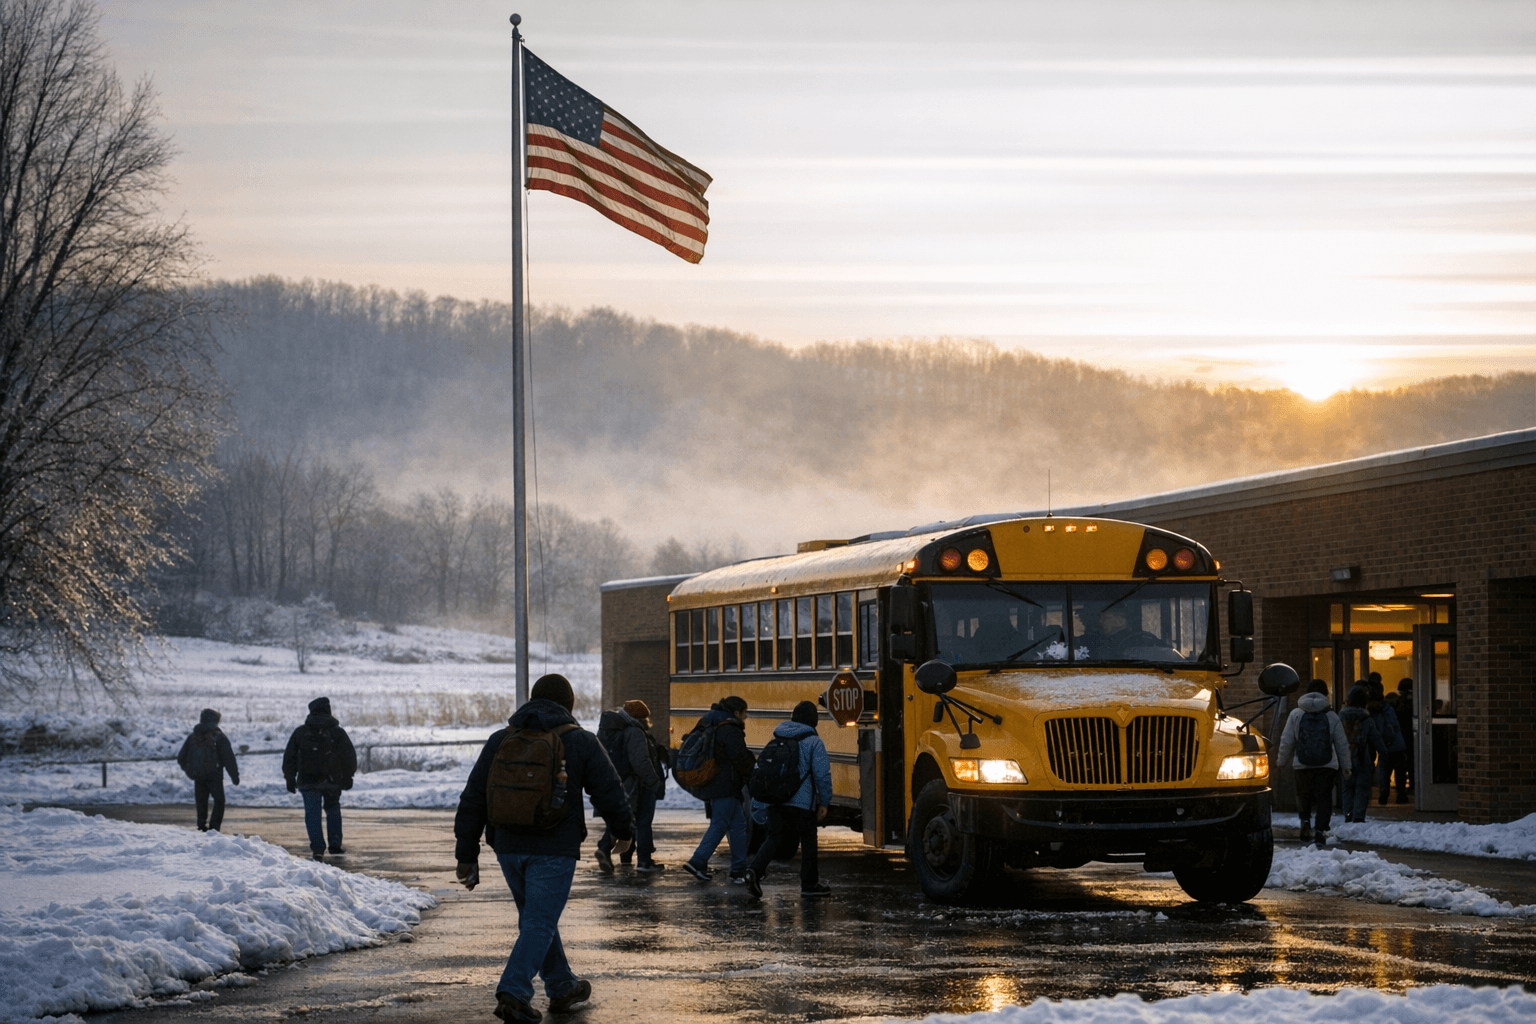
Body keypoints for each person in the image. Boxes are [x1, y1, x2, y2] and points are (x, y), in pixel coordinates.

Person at [453, 673, 634, 1024]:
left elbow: (474, 796)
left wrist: (466, 853)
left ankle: (562, 986)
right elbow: (610, 791)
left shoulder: (499, 739)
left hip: (507, 846)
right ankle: (514, 992)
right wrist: (623, 832)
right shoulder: (580, 741)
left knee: (537, 918)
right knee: (539, 920)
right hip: (554, 847)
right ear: (568, 705)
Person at [744, 700, 834, 898]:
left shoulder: (777, 738)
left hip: (776, 800)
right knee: (809, 839)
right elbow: (822, 774)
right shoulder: (814, 741)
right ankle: (809, 885)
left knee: (775, 837)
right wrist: (825, 801)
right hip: (801, 802)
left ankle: (754, 870)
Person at [680, 695, 756, 883]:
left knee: (738, 825)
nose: (745, 717)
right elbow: (739, 758)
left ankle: (738, 870)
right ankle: (697, 861)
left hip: (716, 782)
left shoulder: (713, 723)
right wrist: (752, 770)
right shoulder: (729, 729)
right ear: (737, 712)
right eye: (744, 713)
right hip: (726, 784)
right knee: (720, 824)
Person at [1273, 680, 1351, 845]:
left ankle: (1305, 822)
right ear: (1326, 695)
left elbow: (1287, 740)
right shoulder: (1331, 715)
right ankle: (1320, 830)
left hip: (1302, 765)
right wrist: (1346, 766)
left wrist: (1281, 761)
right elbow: (1341, 743)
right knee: (1324, 798)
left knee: (1303, 796)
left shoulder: (1296, 714)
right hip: (1327, 765)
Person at [595, 699, 667, 874]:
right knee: (643, 822)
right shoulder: (635, 732)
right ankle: (644, 861)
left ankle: (622, 857)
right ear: (642, 718)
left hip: (619, 781)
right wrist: (654, 782)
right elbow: (640, 762)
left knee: (626, 820)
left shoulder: (613, 730)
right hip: (637, 784)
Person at [282, 696, 357, 861]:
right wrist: (348, 776)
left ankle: (317, 847)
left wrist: (289, 777)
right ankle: (335, 844)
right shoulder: (337, 732)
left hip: (307, 781)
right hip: (332, 781)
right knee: (333, 811)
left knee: (312, 813)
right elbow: (349, 755)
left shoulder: (301, 732)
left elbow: (290, 756)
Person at [177, 708, 239, 832]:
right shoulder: (219, 737)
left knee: (201, 801)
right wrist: (234, 776)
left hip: (198, 776)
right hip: (214, 776)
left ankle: (201, 825)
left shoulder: (193, 737)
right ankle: (214, 828)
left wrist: (190, 771)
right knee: (219, 801)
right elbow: (229, 759)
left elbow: (181, 757)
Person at [1339, 685, 1385, 823]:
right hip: (1363, 757)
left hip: (1345, 756)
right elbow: (1376, 739)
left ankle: (1348, 813)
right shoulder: (1367, 719)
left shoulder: (1340, 717)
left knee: (1347, 787)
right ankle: (1358, 816)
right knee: (1362, 788)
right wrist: (1384, 752)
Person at [1076, 603, 1168, 659]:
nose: (1101, 622)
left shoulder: (1136, 641)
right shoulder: (1106, 641)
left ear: (1120, 622)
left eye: (1105, 618)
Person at [1369, 683, 1406, 805]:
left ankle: (1384, 795)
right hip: (1397, 745)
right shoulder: (1389, 709)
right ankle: (1401, 795)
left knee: (1384, 773)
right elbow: (1395, 727)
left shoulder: (1375, 713)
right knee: (1399, 773)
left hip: (1385, 746)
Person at [1391, 678, 1415, 803]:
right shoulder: (1412, 702)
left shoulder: (1397, 702)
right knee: (1411, 761)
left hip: (1400, 736)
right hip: (1410, 735)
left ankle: (1402, 788)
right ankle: (1412, 784)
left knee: (1401, 764)